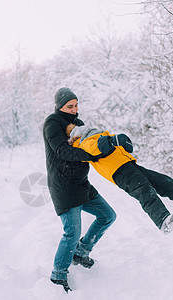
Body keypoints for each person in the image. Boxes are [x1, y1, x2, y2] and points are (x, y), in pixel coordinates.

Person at [66, 123, 173, 234]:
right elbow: (97, 147)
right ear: (76, 134)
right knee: (145, 191)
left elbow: (107, 146)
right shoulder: (84, 143)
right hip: (119, 172)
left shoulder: (96, 136)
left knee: (163, 182)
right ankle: (162, 221)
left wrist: (122, 146)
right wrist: (111, 141)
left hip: (129, 165)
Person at [43, 87, 116, 293]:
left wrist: (105, 149)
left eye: (76, 105)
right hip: (63, 185)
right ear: (59, 106)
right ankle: (58, 276)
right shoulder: (53, 123)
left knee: (108, 215)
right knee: (72, 232)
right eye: (70, 106)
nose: (74, 110)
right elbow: (62, 150)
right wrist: (89, 155)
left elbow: (90, 146)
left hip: (81, 184)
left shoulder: (79, 124)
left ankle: (80, 253)